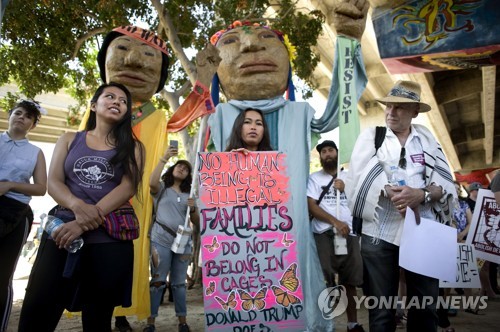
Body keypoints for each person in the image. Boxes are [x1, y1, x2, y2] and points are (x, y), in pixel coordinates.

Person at [18, 82, 145, 332]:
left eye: (123, 101)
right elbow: (53, 182)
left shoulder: (134, 146)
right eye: (109, 96)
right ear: (93, 105)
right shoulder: (68, 139)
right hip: (61, 235)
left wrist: (85, 221)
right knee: (38, 310)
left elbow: (128, 187)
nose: (117, 102)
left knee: (98, 319)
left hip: (109, 240)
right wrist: (76, 207)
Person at [345, 80, 456, 332]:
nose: (391, 112)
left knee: (425, 308)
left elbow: (444, 184)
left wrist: (422, 194)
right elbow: (357, 178)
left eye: (399, 108)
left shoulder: (427, 140)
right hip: (379, 234)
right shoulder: (373, 137)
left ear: (415, 111)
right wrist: (390, 191)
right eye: (388, 106)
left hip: (423, 231)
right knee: (382, 311)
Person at [82, 25, 170, 331]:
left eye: (149, 54)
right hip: (90, 198)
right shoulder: (96, 110)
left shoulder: (156, 116)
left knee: (126, 259)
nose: (135, 60)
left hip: (133, 202)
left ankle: (119, 313)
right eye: (122, 49)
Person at [307, 140, 364, 332]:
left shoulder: (351, 177)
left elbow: (364, 201)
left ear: (338, 153)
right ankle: (325, 324)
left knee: (350, 281)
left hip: (350, 235)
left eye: (330, 150)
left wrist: (346, 188)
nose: (327, 154)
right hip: (324, 234)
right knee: (326, 281)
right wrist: (335, 222)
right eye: (323, 152)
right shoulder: (314, 178)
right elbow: (312, 206)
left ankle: (353, 324)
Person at [0, 99, 47, 332]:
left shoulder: (36, 153)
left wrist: (9, 185)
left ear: (33, 125)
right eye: (18, 113)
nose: (21, 117)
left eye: (28, 116)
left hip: (15, 214)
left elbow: (41, 188)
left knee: (2, 277)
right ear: (9, 115)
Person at [145, 149, 199, 332]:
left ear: (188, 176)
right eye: (179, 166)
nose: (182, 169)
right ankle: (150, 323)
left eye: (186, 169)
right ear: (172, 169)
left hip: (183, 243)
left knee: (179, 284)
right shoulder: (161, 188)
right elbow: (151, 182)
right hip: (160, 240)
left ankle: (182, 322)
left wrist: (193, 209)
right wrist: (165, 157)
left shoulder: (189, 194)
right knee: (157, 282)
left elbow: (197, 222)